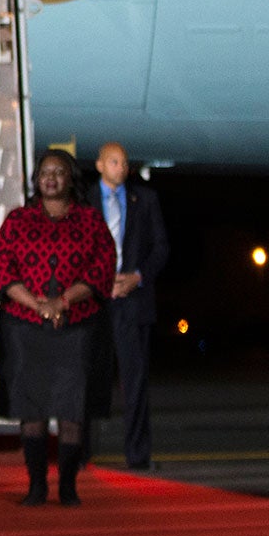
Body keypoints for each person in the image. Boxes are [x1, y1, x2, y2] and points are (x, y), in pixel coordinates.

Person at [0, 150, 117, 505]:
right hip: (26, 329)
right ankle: (36, 486)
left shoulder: (91, 221)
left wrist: (62, 303)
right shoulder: (17, 220)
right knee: (32, 410)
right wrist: (40, 307)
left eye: (59, 172)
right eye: (45, 172)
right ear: (36, 180)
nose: (51, 178)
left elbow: (101, 268)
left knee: (71, 410)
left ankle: (68, 487)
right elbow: (3, 269)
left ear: (70, 179)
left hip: (76, 329)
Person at [95, 141, 171, 470]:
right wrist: (99, 280)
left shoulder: (145, 199)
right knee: (88, 381)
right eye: (114, 162)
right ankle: (79, 456)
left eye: (124, 163)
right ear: (99, 165)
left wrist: (137, 277)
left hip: (133, 304)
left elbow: (161, 247)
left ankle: (138, 456)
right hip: (94, 303)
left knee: (135, 383)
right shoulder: (84, 201)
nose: (121, 168)